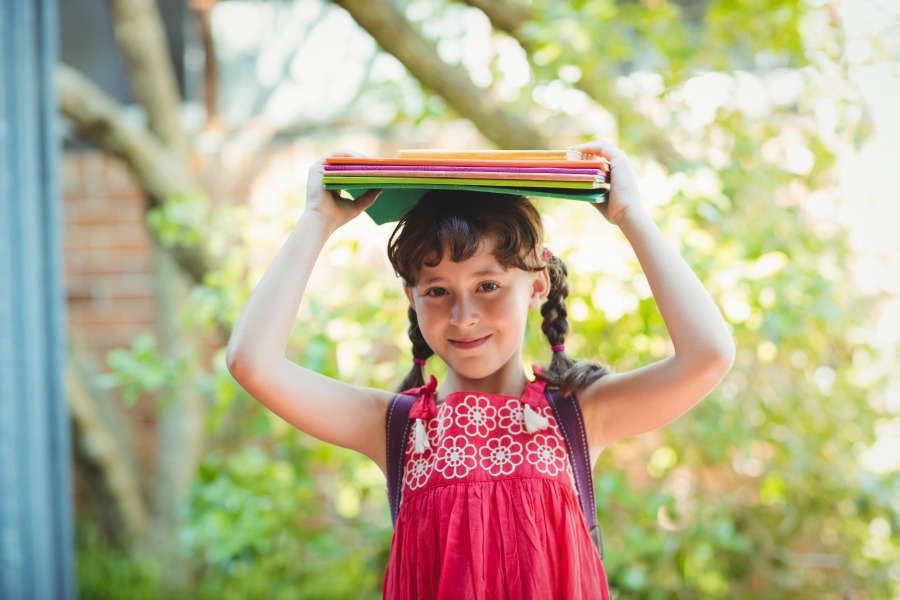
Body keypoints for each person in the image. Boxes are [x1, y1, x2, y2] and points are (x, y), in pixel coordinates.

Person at [226, 140, 735, 598]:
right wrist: (317, 218)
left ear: (537, 284)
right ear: (412, 296)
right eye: (437, 291)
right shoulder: (396, 428)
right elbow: (253, 361)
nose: (464, 315)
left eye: (487, 286)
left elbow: (708, 355)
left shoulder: (577, 416)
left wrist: (631, 215)